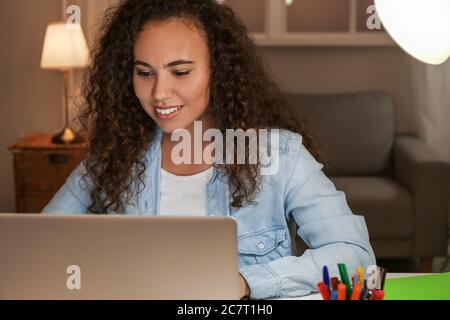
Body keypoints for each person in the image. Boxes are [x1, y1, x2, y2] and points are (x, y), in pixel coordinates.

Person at [43, 0, 376, 299]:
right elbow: (40, 245)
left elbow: (354, 254)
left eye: (181, 71)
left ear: (218, 71)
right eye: (144, 73)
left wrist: (247, 283)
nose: (160, 92)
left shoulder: (280, 156)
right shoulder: (111, 158)